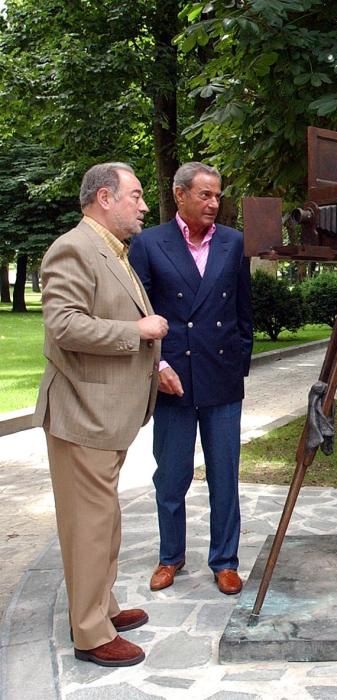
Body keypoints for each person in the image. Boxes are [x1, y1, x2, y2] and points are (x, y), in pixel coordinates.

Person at [35, 162, 167, 666]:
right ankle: (90, 633)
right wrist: (136, 332)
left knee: (104, 520)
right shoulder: (74, 247)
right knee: (89, 524)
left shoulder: (111, 251)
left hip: (102, 416)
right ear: (105, 198)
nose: (143, 205)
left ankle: (99, 606)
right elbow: (64, 326)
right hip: (82, 413)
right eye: (135, 195)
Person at [129, 162, 253, 595]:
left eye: (218, 195)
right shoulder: (147, 244)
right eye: (205, 195)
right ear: (180, 194)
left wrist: (240, 363)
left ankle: (225, 560)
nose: (214, 203)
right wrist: (157, 367)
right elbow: (138, 312)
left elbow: (243, 313)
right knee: (172, 475)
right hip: (172, 380)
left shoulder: (234, 244)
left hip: (221, 379)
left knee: (225, 474)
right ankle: (170, 557)